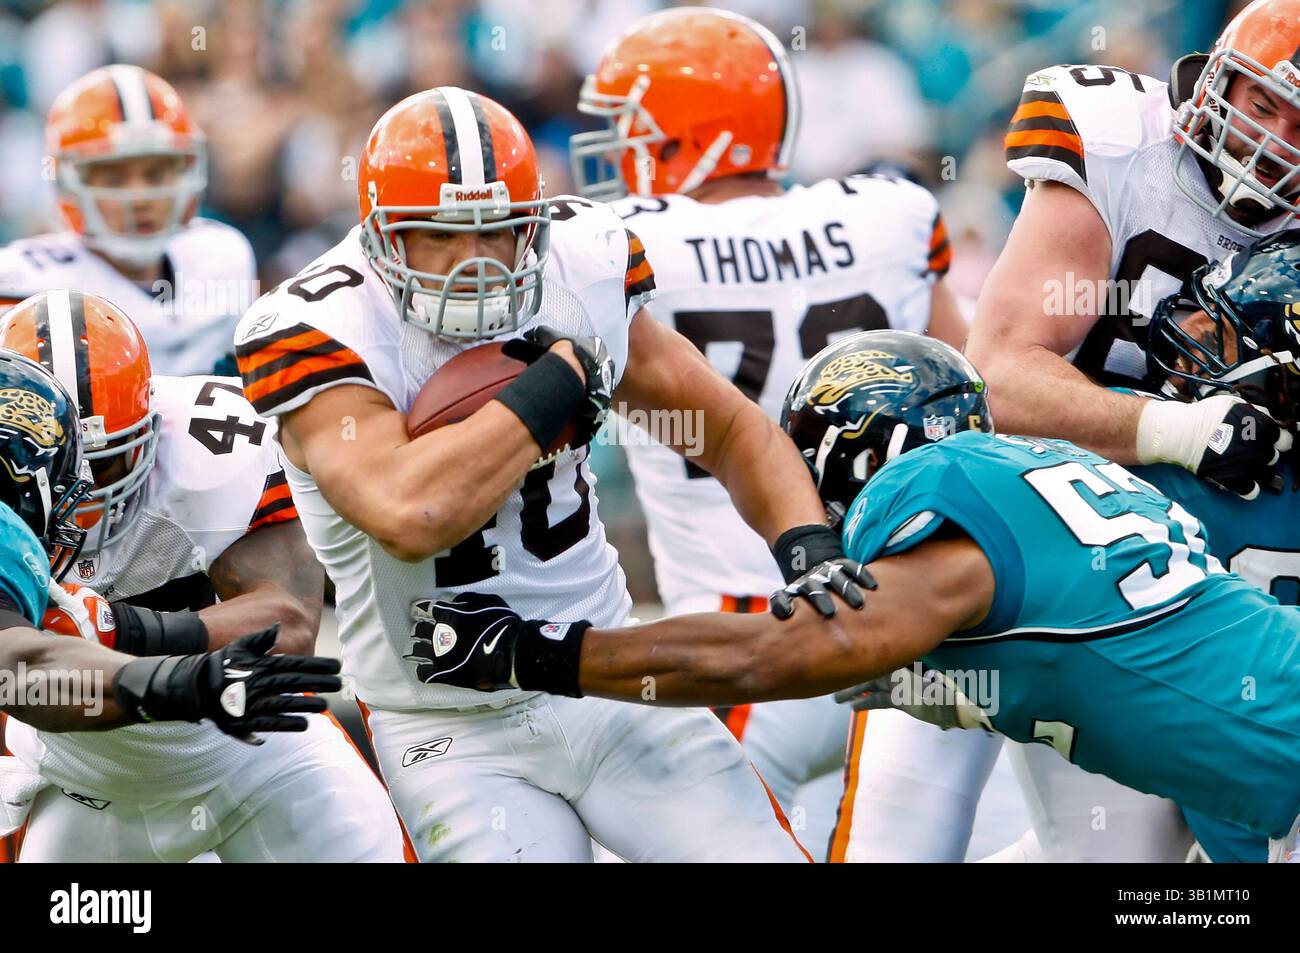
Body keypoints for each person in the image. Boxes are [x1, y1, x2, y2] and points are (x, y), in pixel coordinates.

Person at [233, 86, 865, 862]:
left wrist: (805, 543)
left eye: (499, 230)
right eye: (439, 233)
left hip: (603, 674)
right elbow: (411, 512)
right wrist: (557, 380)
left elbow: (725, 427)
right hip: (445, 725)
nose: (475, 260)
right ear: (380, 239)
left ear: (536, 222)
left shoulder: (583, 261)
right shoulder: (322, 325)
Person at [407, 329, 1300, 862]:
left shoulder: (943, 493)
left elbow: (779, 654)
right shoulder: (1049, 474)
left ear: (867, 448)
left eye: (810, 452)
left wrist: (540, 653)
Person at [848, 0, 1300, 862]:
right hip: (1024, 528)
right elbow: (1005, 373)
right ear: (1212, 84)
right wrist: (1180, 427)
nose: (1275, 139)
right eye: (1260, 103)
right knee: (907, 840)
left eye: (1299, 123)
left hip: (1153, 574)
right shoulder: (1123, 142)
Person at [568, 7, 966, 838]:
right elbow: (969, 390)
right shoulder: (890, 212)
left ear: (694, 133)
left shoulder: (624, 241)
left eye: (631, 130)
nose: (614, 152)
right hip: (905, 616)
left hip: (742, 641)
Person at [0, 290, 404, 863]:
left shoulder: (210, 451)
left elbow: (288, 626)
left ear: (150, 425)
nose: (84, 493)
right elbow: (18, 675)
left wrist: (121, 628)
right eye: (65, 467)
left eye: (106, 461)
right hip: (86, 788)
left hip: (255, 757)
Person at [0, 65, 255, 376]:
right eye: (114, 177)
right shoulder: (27, 284)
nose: (140, 197)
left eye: (156, 173)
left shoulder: (221, 255)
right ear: (68, 182)